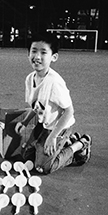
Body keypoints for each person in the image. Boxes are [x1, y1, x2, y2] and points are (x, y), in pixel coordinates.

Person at [14, 32, 92, 174]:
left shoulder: (55, 82)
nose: (37, 57)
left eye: (43, 52)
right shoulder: (29, 78)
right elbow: (35, 107)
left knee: (43, 167)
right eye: (34, 51)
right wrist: (24, 123)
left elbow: (69, 112)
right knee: (26, 155)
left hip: (59, 126)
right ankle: (65, 142)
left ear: (53, 57)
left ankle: (80, 145)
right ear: (28, 54)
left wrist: (53, 136)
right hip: (44, 123)